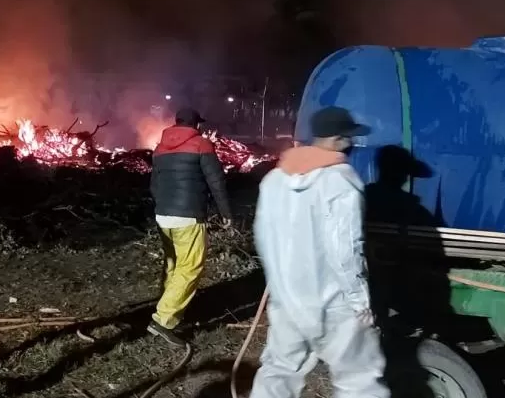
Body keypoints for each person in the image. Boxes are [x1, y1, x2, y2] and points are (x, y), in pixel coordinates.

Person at [249, 106, 390, 398]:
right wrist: (360, 302)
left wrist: (280, 288)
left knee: (277, 375)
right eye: (349, 138)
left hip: (288, 303)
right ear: (338, 138)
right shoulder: (341, 181)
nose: (351, 144)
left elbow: (262, 237)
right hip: (333, 304)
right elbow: (345, 249)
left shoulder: (273, 180)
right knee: (359, 381)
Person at [148, 107, 233, 346]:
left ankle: (171, 311)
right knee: (190, 266)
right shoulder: (201, 144)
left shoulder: (160, 148)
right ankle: (163, 320)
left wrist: (163, 206)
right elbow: (216, 181)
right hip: (188, 217)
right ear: (196, 125)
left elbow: (153, 185)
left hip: (163, 216)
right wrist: (226, 213)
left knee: (173, 264)